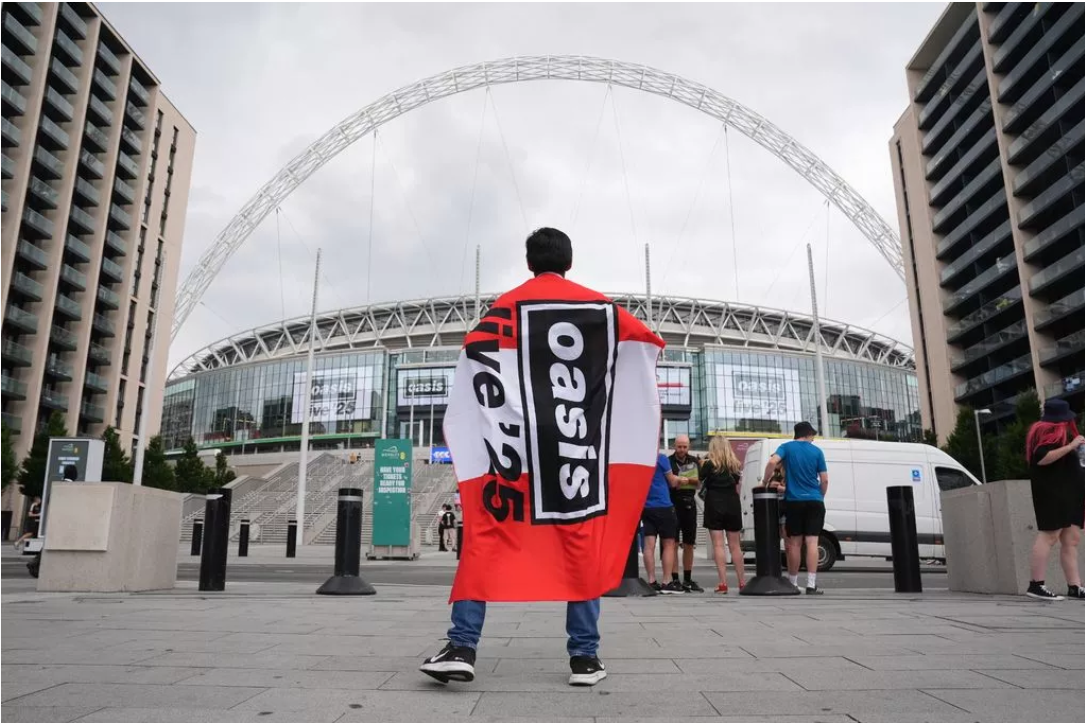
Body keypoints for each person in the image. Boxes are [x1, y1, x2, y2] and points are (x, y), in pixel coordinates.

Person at [420, 227, 664, 687]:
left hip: (513, 452)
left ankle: (462, 645)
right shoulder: (600, 310)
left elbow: (476, 359)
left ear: (530, 262)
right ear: (568, 261)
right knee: (581, 542)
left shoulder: (503, 308)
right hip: (574, 451)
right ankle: (584, 659)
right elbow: (642, 342)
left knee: (487, 537)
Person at [1024, 398, 1085, 601]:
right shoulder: (1048, 433)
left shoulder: (1061, 434)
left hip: (1070, 493)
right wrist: (1071, 446)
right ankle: (1036, 584)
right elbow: (1041, 458)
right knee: (1049, 535)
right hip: (1054, 493)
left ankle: (1075, 586)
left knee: (1071, 538)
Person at [763, 421, 828, 595]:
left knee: (795, 544)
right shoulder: (817, 452)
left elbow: (772, 462)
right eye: (812, 435)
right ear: (808, 434)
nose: (813, 438)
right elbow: (825, 480)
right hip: (814, 501)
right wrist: (820, 496)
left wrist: (764, 482)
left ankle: (792, 583)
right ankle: (811, 585)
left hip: (794, 501)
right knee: (812, 542)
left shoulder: (786, 447)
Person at [700, 436, 745, 594]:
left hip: (714, 503)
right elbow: (736, 481)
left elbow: (699, 480)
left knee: (718, 545)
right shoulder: (735, 464)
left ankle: (723, 583)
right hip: (732, 503)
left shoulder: (708, 464)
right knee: (735, 546)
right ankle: (742, 583)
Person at [666, 434, 703, 592]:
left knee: (689, 543)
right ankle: (674, 579)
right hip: (672, 503)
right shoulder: (668, 461)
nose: (682, 450)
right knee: (673, 543)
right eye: (679, 446)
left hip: (689, 503)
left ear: (688, 447)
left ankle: (687, 579)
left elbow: (699, 482)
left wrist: (685, 481)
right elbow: (667, 481)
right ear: (675, 446)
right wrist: (680, 480)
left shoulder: (694, 461)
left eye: (685, 447)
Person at [642, 452, 683, 594]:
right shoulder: (661, 458)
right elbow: (672, 481)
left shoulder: (642, 458)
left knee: (649, 545)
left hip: (646, 507)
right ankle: (666, 582)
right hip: (664, 506)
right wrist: (681, 479)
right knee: (669, 544)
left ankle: (652, 581)